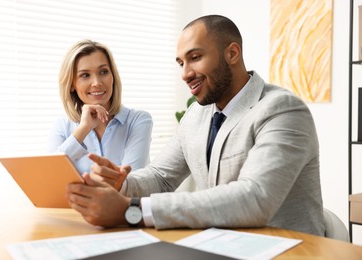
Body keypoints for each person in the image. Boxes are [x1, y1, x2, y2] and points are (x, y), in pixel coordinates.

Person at [66, 16, 325, 236]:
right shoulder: (196, 115)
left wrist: (130, 209)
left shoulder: (282, 110)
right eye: (181, 63)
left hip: (289, 251)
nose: (185, 73)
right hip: (223, 246)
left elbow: (255, 197)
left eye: (195, 57)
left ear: (232, 53)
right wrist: (122, 184)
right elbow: (161, 177)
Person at [48, 40, 153, 175]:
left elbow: (130, 182)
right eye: (85, 75)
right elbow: (50, 174)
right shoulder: (63, 125)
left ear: (113, 76)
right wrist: (83, 128)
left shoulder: (138, 120)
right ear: (72, 84)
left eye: (103, 72)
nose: (97, 83)